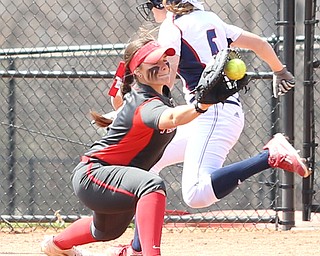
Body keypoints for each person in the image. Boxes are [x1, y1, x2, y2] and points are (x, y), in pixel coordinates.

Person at [104, 0, 309, 255]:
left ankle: (269, 156)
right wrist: (280, 70)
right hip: (214, 114)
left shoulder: (174, 25)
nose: (151, 10)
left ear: (164, 3)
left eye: (151, 5)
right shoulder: (210, 18)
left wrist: (129, 112)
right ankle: (137, 248)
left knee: (196, 194)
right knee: (145, 163)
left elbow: (167, 75)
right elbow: (258, 43)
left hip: (212, 115)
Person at [41, 34, 214, 256]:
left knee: (105, 231)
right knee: (152, 184)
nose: (163, 65)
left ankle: (55, 245)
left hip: (111, 176)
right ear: (139, 73)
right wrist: (201, 105)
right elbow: (170, 118)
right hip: (94, 174)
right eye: (154, 62)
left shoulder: (159, 95)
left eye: (164, 59)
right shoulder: (145, 102)